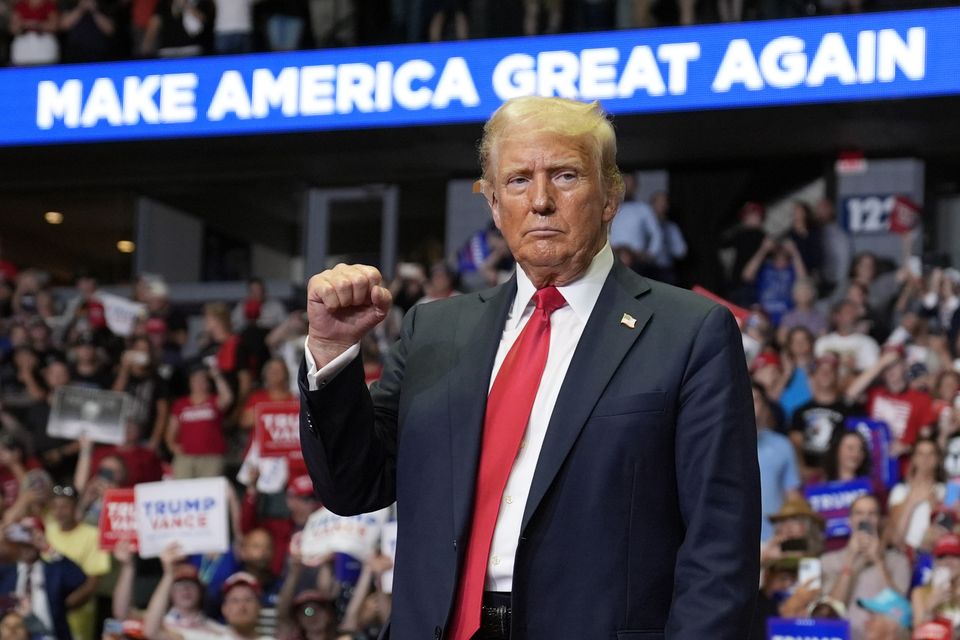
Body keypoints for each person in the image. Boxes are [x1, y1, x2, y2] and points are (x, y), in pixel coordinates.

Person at [300, 96, 759, 639]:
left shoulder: (690, 331)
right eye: (518, 181)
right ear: (494, 205)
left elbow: (720, 546)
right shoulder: (435, 330)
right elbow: (354, 486)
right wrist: (331, 353)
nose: (540, 201)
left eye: (564, 175)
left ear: (611, 195)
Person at [821, 494, 911, 640]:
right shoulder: (829, 560)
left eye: (872, 513)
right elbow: (830, 611)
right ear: (850, 520)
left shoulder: (898, 561)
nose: (865, 519)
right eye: (859, 513)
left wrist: (879, 561)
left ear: (880, 521)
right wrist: (850, 559)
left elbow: (900, 610)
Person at [0, 516, 87, 640]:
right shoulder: (5, 572)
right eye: (23, 539)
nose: (27, 545)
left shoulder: (53, 571)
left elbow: (78, 578)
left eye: (32, 536)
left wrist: (47, 547)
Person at [44, 484, 110, 640]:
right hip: (47, 613)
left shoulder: (93, 535)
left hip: (78, 613)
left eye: (65, 506)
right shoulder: (46, 531)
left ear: (75, 507)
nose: (59, 512)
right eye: (55, 506)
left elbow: (93, 582)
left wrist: (61, 608)